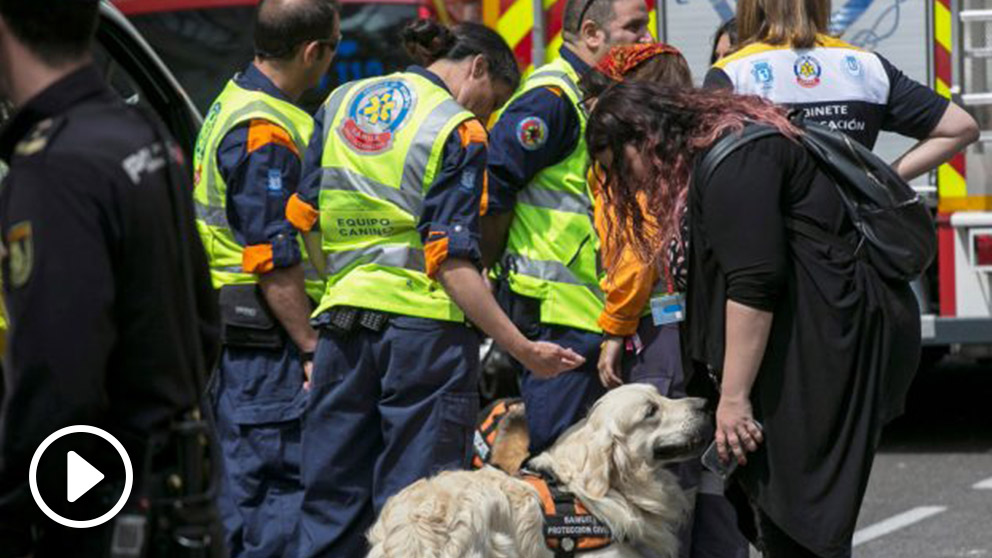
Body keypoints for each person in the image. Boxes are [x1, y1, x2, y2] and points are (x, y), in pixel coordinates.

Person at [586, 81, 959, 557]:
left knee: (800, 526)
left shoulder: (736, 158)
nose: (625, 183)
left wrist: (735, 399)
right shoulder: (726, 149)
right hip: (805, 349)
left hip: (816, 358)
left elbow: (754, 284)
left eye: (618, 166)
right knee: (784, 522)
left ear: (643, 137)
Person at [286, 19, 584, 557]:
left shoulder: (339, 103)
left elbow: (304, 219)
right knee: (420, 511)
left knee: (330, 496)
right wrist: (520, 346)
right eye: (490, 102)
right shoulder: (456, 127)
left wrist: (341, 287)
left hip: (342, 327)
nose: (486, 118)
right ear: (477, 68)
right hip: (423, 339)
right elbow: (452, 262)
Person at [0, 1, 223, 556]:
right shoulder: (139, 131)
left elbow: (59, 381)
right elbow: (203, 324)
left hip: (95, 512)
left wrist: (20, 511)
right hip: (171, 494)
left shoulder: (54, 166)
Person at [581, 44, 749, 558]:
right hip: (702, 324)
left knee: (665, 454)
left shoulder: (636, 164)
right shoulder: (691, 152)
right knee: (716, 459)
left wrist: (614, 328)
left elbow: (635, 256)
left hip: (656, 328)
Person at [190, 0, 339, 556]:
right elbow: (273, 254)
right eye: (332, 49)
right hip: (267, 345)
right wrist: (309, 345)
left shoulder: (233, 100)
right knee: (274, 499)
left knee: (244, 493)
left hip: (240, 337)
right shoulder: (264, 131)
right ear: (311, 51)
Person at [483, 0, 653, 456]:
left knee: (600, 464)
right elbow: (492, 191)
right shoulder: (553, 98)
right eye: (634, 28)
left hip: (591, 310)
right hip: (555, 313)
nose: (646, 39)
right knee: (561, 461)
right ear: (593, 33)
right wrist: (489, 276)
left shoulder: (597, 94)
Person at [704, 0, 978, 178]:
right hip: (849, 248)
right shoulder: (867, 65)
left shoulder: (732, 72)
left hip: (770, 246)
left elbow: (709, 170)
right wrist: (880, 181)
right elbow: (961, 127)